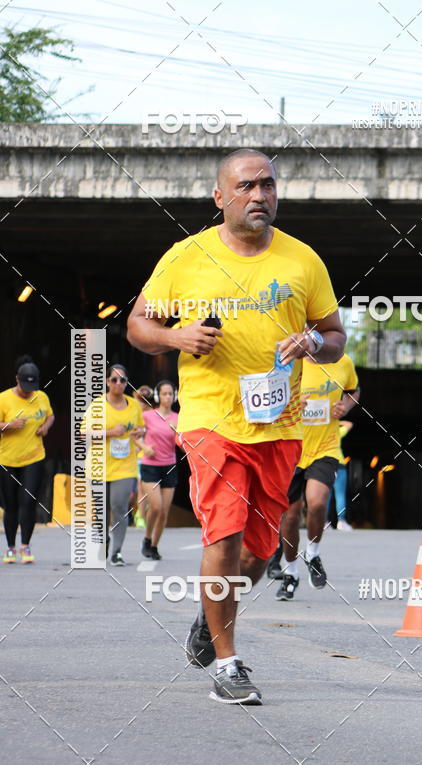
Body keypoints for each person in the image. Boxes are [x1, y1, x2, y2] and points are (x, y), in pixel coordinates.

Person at [127, 147, 346, 704]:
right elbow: (137, 325)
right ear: (220, 197)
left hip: (279, 425)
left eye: (268, 185)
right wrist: (176, 337)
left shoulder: (304, 261)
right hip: (210, 421)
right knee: (222, 534)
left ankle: (210, 616)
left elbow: (334, 334)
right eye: (246, 186)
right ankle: (228, 664)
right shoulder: (185, 257)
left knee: (258, 553)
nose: (259, 195)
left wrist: (314, 341)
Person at [275, 353, 359, 600]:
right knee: (290, 516)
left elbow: (354, 390)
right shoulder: (288, 361)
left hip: (326, 448)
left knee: (318, 502)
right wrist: (290, 405)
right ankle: (290, 572)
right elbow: (265, 394)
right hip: (291, 447)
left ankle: (312, 553)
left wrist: (346, 406)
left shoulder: (343, 361)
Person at [82, 364, 144, 565]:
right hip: (98, 466)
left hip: (124, 466)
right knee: (101, 511)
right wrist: (110, 433)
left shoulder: (134, 406)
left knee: (119, 507)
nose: (119, 383)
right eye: (114, 379)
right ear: (107, 382)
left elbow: (141, 429)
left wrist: (139, 433)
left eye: (123, 380)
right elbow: (84, 434)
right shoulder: (98, 405)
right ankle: (104, 541)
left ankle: (117, 551)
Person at [0, 356, 54, 563]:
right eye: (24, 386)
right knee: (11, 505)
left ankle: (26, 546)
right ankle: (11, 548)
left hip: (34, 456)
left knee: (28, 502)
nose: (28, 390)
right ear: (16, 379)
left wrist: (46, 427)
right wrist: (9, 426)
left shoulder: (41, 397)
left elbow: (50, 416)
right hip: (8, 458)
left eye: (31, 386)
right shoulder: (4, 398)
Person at [136, 380, 178, 560]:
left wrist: (178, 434)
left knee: (164, 512)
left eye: (170, 394)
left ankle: (154, 546)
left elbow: (184, 443)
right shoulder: (148, 416)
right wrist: (145, 447)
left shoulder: (178, 418)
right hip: (150, 466)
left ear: (174, 396)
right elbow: (134, 436)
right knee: (156, 505)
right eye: (164, 394)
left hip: (169, 466)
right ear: (157, 396)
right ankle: (147, 538)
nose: (167, 397)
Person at [133, 385, 154, 529]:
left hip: (155, 456)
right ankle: (140, 517)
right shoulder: (134, 414)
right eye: (141, 400)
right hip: (140, 456)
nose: (143, 403)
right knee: (140, 487)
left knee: (152, 490)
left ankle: (143, 514)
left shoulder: (154, 414)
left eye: (146, 401)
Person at [332, 420, 354, 531]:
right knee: (340, 495)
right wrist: (336, 421)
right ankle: (341, 521)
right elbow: (349, 424)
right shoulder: (336, 432)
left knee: (324, 496)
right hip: (339, 465)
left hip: (323, 464)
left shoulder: (320, 434)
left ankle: (323, 522)